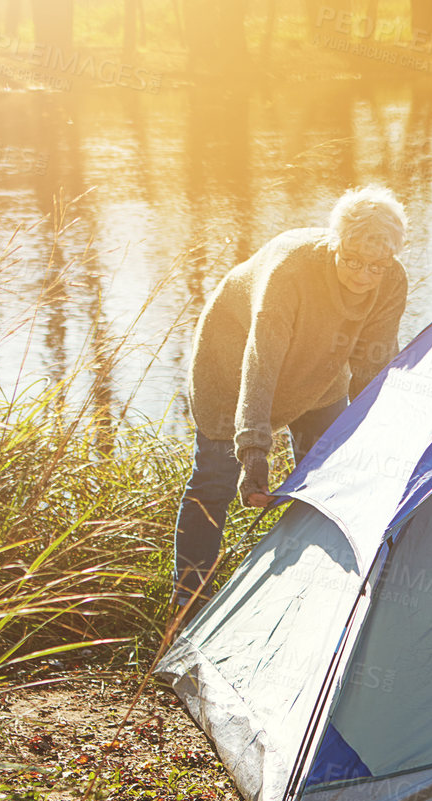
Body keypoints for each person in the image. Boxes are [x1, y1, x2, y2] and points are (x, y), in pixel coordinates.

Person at [171, 186, 409, 611]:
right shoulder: (291, 271)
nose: (363, 274)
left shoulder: (389, 281)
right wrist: (254, 451)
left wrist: (373, 443)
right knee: (213, 482)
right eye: (353, 259)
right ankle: (187, 601)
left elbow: (372, 370)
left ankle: (314, 594)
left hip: (318, 371)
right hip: (231, 369)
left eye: (376, 265)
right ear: (336, 243)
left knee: (330, 477)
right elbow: (260, 361)